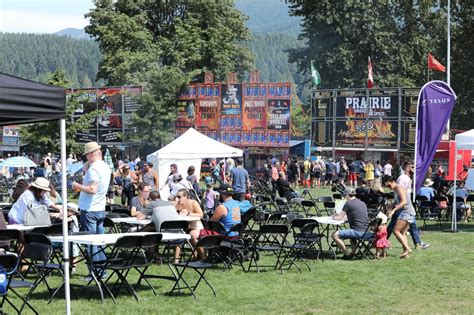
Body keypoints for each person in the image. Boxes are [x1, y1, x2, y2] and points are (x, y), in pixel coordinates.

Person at [72, 141, 111, 270]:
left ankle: (94, 272)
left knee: (91, 243)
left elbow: (92, 189)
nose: (86, 158)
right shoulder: (105, 167)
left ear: (90, 155)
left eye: (87, 155)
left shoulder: (94, 169)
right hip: (99, 208)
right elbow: (85, 168)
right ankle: (101, 270)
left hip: (90, 208)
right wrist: (91, 159)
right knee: (100, 243)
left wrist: (77, 186)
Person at [390, 162, 430, 250]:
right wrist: (397, 205)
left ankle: (416, 243)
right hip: (403, 205)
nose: (414, 169)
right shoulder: (403, 178)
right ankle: (416, 244)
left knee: (409, 225)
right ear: (407, 168)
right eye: (412, 167)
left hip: (405, 205)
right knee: (394, 227)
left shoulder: (407, 178)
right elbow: (399, 192)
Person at [331, 187, 371, 259]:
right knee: (352, 236)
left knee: (334, 235)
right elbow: (356, 215)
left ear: (347, 195)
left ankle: (347, 254)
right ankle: (353, 252)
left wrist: (333, 216)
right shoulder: (362, 203)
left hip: (358, 232)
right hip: (366, 231)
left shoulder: (348, 203)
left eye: (344, 196)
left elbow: (339, 217)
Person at [384, 176, 415, 258]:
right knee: (402, 232)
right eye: (387, 186)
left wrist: (394, 210)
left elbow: (404, 201)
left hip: (406, 212)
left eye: (389, 185)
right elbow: (398, 201)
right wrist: (391, 205)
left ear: (393, 181)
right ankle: (406, 252)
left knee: (396, 231)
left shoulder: (399, 188)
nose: (389, 188)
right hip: (408, 212)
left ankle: (408, 249)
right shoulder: (395, 190)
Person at [175, 188, 204, 259]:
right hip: (184, 226)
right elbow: (175, 213)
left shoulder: (193, 203)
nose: (177, 198)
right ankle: (176, 259)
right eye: (176, 196)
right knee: (178, 234)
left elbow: (201, 214)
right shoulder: (178, 204)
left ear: (186, 196)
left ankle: (203, 257)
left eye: (179, 197)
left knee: (192, 235)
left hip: (195, 226)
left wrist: (188, 213)